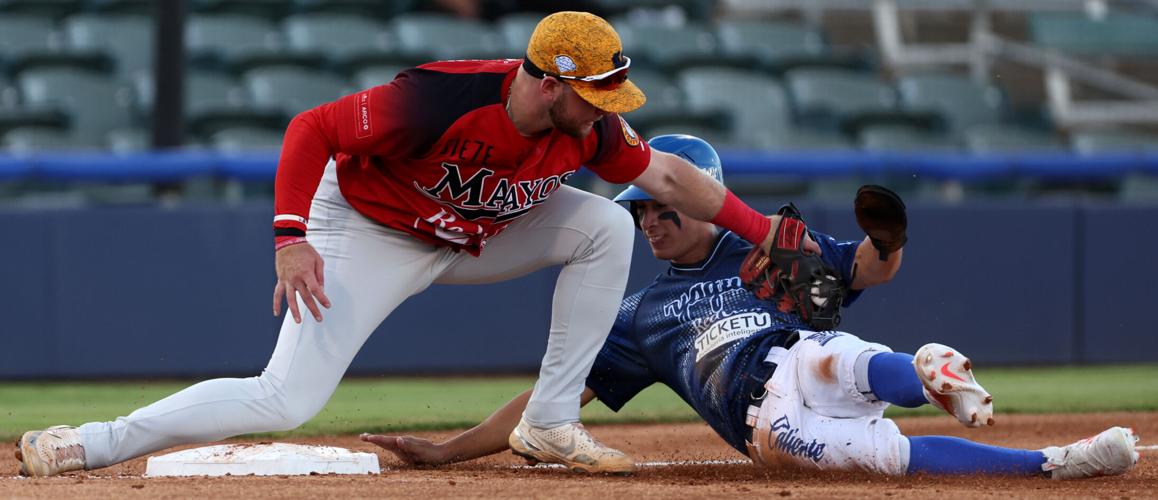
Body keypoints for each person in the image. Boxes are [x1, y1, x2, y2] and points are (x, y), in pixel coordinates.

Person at [14, 12, 801, 477]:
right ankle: (87, 446)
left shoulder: (588, 133)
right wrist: (291, 238)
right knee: (285, 399)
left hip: (474, 234)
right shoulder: (440, 98)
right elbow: (311, 128)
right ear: (550, 83)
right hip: (368, 230)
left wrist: (759, 230)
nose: (605, 111)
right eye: (594, 95)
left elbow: (666, 177)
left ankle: (551, 420)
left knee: (602, 226)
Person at [361, 134, 1140, 480]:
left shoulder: (771, 248)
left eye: (660, 207)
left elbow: (867, 269)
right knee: (884, 458)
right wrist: (447, 451)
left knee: (841, 356)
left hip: (793, 359)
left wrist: (889, 239)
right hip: (764, 426)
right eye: (638, 213)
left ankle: (952, 389)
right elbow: (550, 400)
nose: (648, 221)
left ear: (703, 196)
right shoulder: (634, 315)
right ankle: (1024, 442)